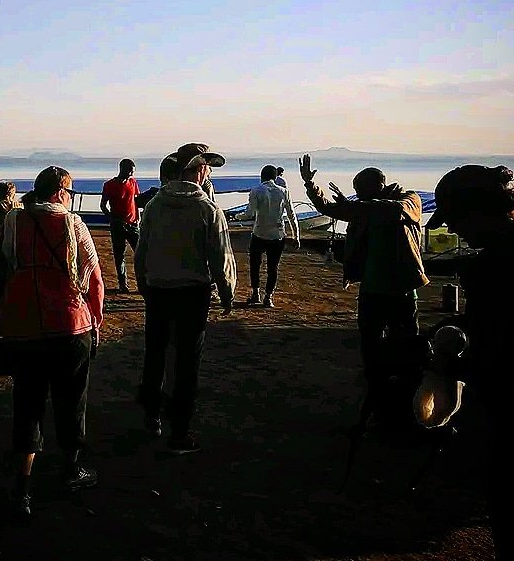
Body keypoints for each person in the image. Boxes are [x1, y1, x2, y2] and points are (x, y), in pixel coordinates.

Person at [0, 166, 104, 521]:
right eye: (68, 191)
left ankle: (21, 489)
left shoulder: (13, 223)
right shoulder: (74, 225)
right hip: (70, 328)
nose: (69, 197)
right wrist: (95, 321)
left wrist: (4, 316)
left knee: (28, 406)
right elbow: (94, 280)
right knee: (71, 402)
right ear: (59, 193)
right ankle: (71, 470)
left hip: (24, 330)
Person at [425, 164, 514, 561]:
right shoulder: (495, 258)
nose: (457, 231)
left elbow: (497, 353)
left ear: (478, 211)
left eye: (458, 220)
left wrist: (447, 367)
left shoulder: (493, 267)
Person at [134, 143, 236, 453]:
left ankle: (152, 416)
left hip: (158, 290)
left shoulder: (154, 206)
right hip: (193, 293)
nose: (208, 172)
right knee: (186, 362)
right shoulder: (208, 209)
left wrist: (144, 286)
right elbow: (221, 257)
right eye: (205, 167)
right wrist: (228, 292)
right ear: (198, 171)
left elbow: (142, 253)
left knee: (155, 353)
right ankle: (179, 433)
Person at [299, 154, 428, 373]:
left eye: (360, 191)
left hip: (402, 288)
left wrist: (353, 206)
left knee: (406, 345)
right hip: (371, 289)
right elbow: (331, 210)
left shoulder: (408, 199)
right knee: (370, 344)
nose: (358, 196)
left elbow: (391, 210)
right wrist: (310, 185)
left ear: (378, 186)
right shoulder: (363, 207)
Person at [244, 165, 300, 308]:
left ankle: (255, 293)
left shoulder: (256, 191)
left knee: (255, 264)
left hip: (259, 233)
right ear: (275, 178)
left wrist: (237, 216)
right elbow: (292, 215)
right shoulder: (284, 192)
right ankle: (268, 297)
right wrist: (296, 235)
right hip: (277, 235)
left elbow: (249, 214)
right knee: (273, 267)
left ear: (261, 177)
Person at [100, 158, 141, 293]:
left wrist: (138, 218)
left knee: (141, 254)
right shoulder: (109, 185)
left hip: (133, 224)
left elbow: (136, 201)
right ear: (122, 169)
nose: (131, 174)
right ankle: (123, 284)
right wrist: (112, 218)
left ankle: (142, 283)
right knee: (119, 255)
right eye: (129, 171)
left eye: (133, 172)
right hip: (118, 225)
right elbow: (103, 205)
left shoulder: (133, 183)